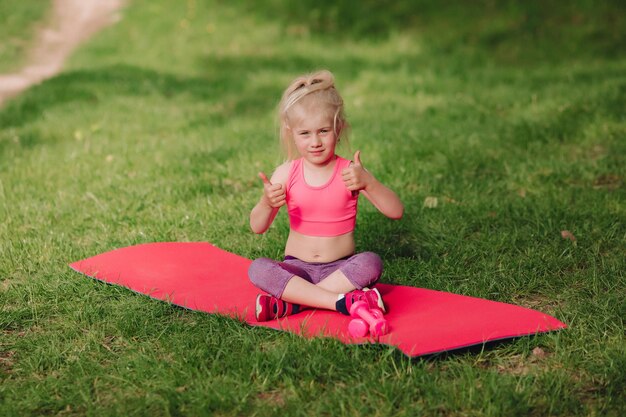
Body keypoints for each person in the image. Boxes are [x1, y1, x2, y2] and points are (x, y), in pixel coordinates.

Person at [248, 70, 403, 321]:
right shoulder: (287, 173)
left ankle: (293, 304)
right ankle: (340, 302)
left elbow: (396, 211)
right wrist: (266, 203)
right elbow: (257, 226)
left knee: (371, 262)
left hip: (341, 269)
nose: (315, 142)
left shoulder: (350, 172)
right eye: (305, 134)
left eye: (323, 131)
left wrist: (370, 183)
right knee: (258, 269)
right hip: (298, 270)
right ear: (291, 132)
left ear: (338, 128)